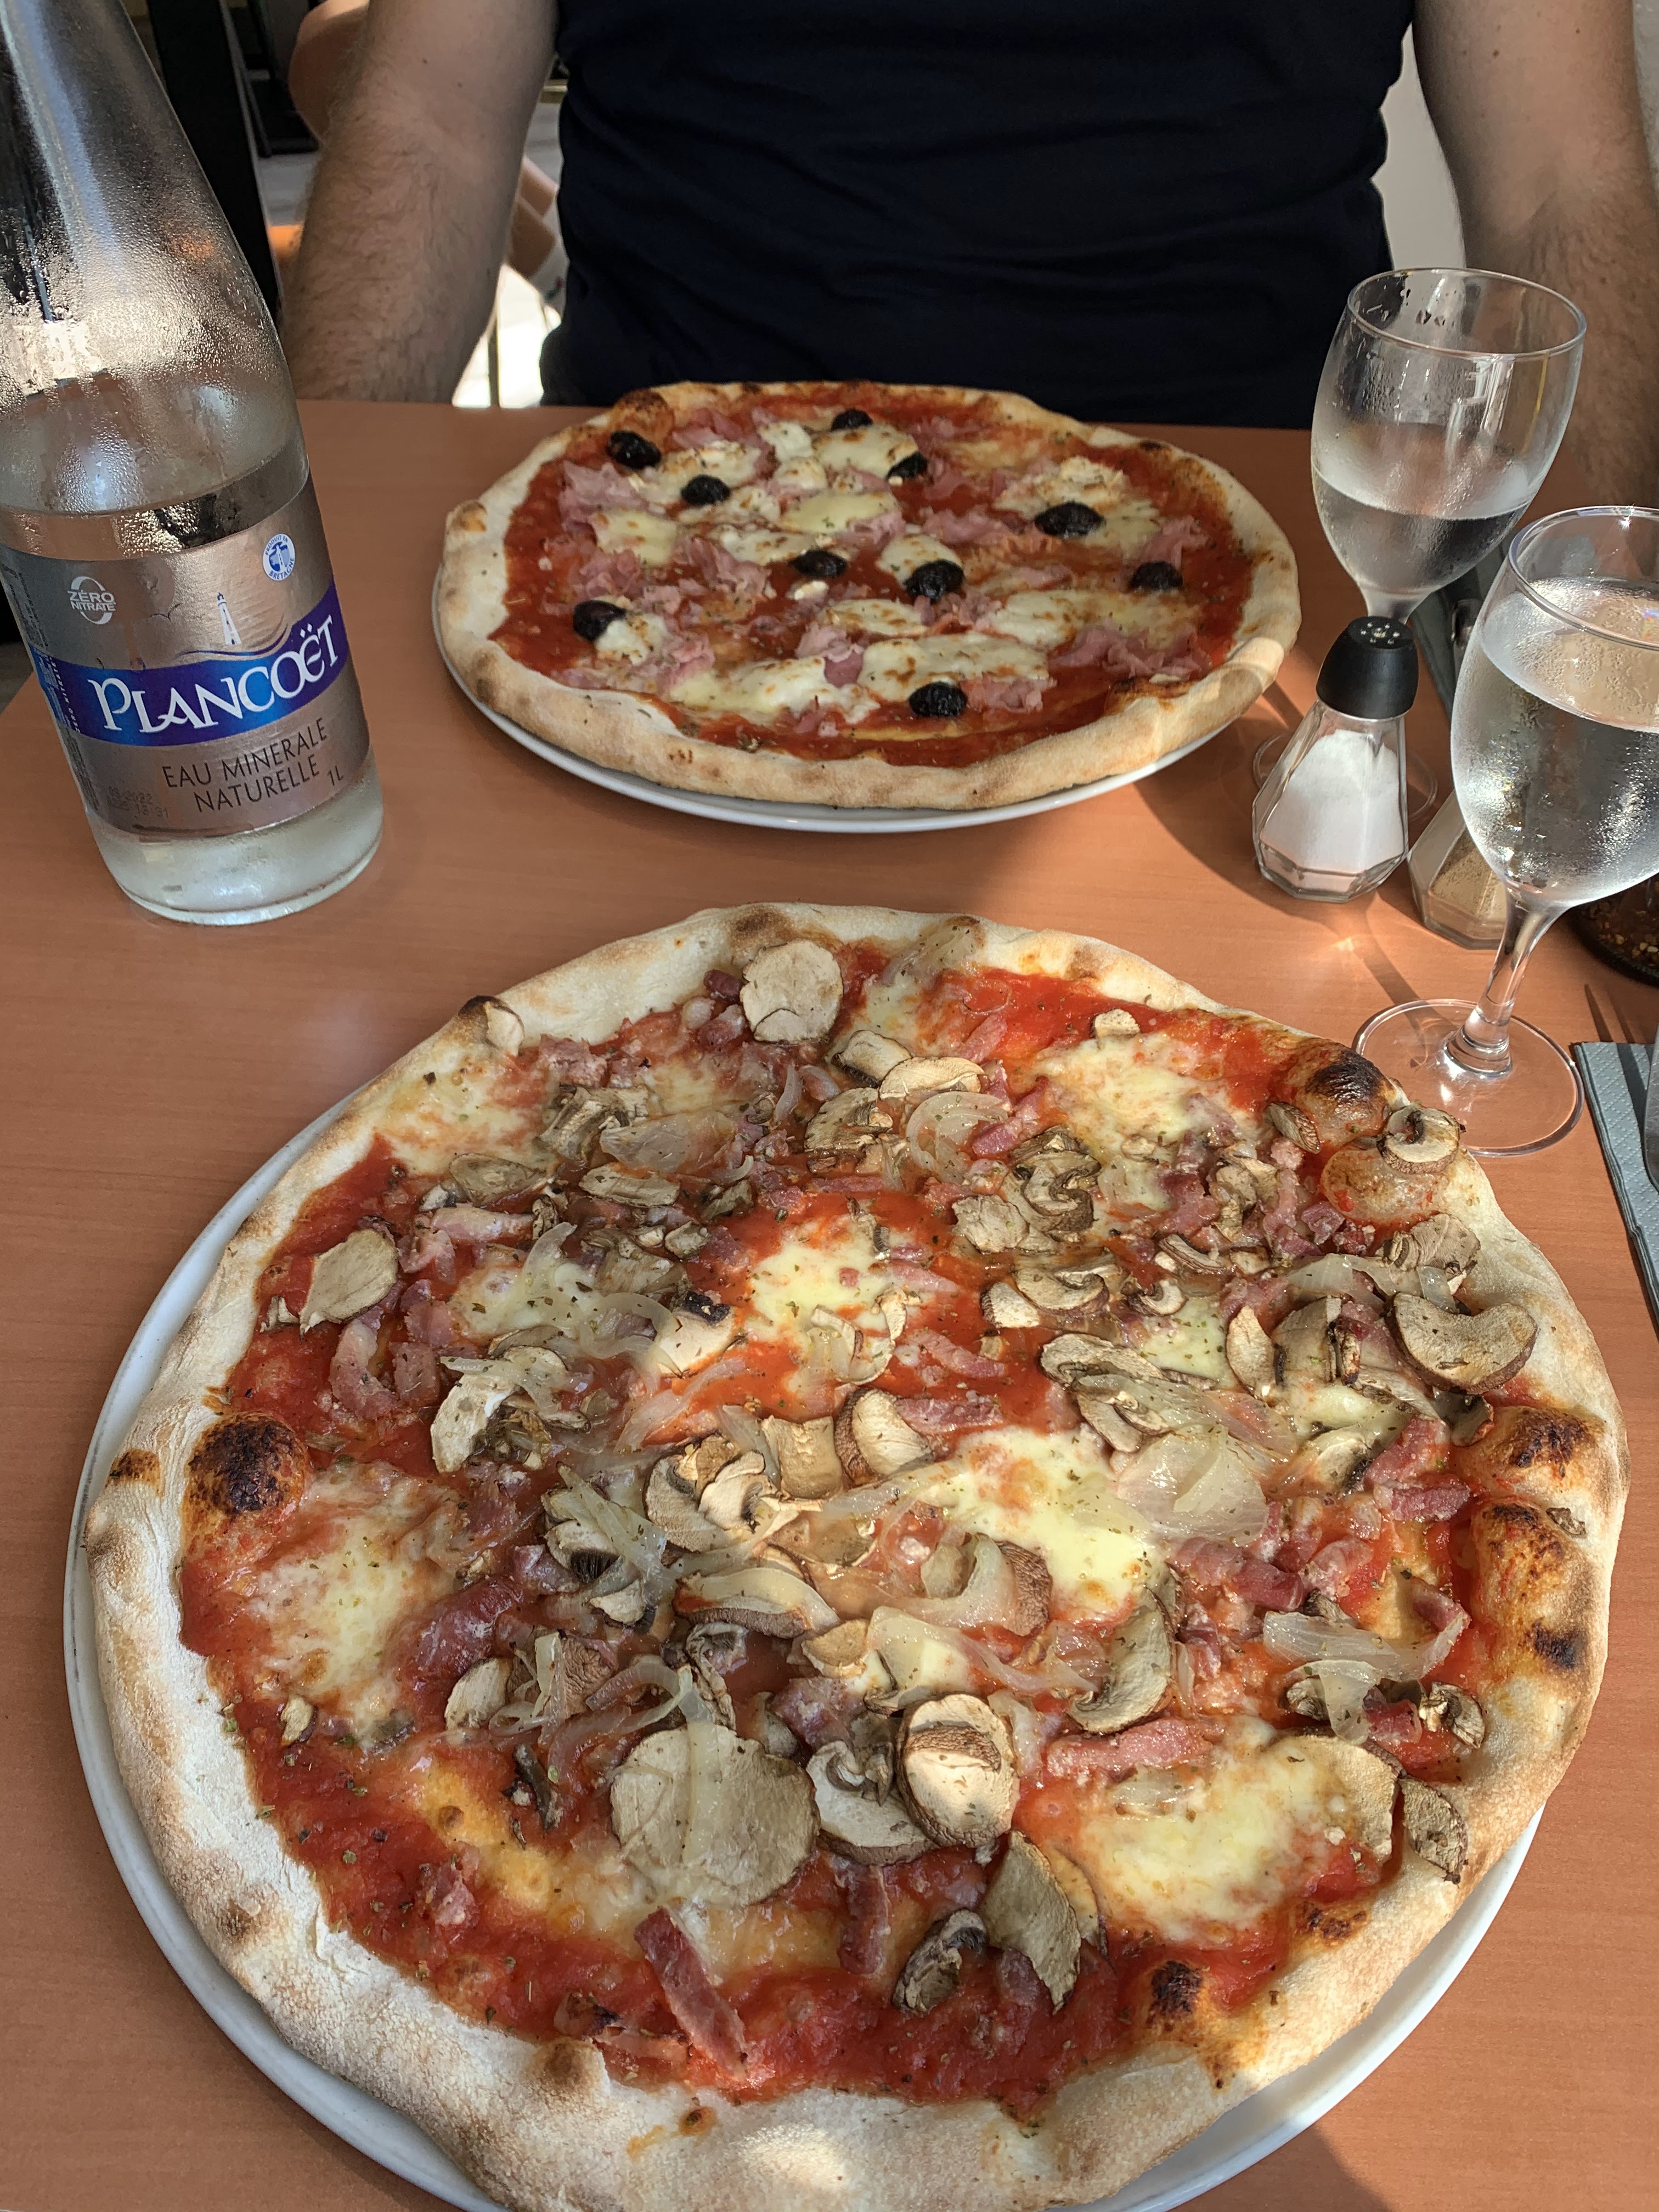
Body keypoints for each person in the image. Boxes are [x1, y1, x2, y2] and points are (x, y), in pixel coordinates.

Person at [283, 0, 1659, 500]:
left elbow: (1565, 185)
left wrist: (1605, 622)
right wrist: (296, 583)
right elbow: (428, 126)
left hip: (1251, 525)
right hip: (657, 503)